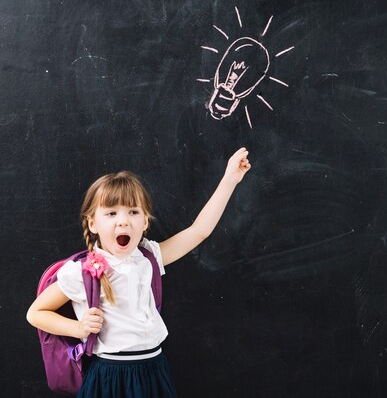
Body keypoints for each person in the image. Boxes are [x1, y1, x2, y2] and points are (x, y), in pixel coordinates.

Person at [26, 147, 251, 397]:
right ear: (93, 224)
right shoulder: (82, 271)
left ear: (144, 222)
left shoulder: (149, 257)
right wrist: (78, 328)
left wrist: (230, 179)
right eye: (111, 213)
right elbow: (36, 313)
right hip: (109, 375)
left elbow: (199, 231)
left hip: (154, 370)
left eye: (133, 212)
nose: (123, 221)